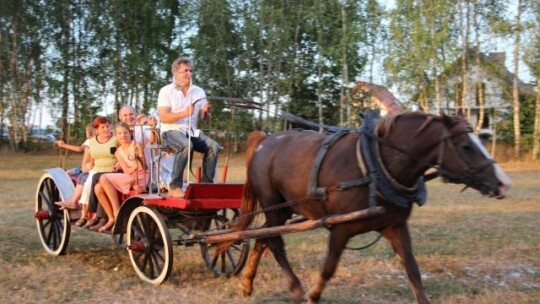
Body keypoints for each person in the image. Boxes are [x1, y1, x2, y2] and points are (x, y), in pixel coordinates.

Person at [158, 57, 221, 198]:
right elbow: (164, 117)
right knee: (186, 145)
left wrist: (206, 112)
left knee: (214, 146)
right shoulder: (166, 91)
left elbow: (205, 120)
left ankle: (207, 185)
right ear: (175, 73)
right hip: (170, 130)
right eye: (185, 71)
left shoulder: (199, 92)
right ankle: (175, 186)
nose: (189, 74)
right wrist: (184, 113)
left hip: (192, 131)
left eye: (190, 71)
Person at [94, 123, 146, 232]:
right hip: (129, 176)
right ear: (116, 136)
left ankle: (117, 212)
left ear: (130, 133)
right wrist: (133, 167)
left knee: (103, 178)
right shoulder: (118, 152)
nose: (123, 135)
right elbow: (126, 170)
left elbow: (143, 166)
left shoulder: (136, 145)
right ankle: (112, 218)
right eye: (119, 133)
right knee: (97, 188)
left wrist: (135, 167)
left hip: (140, 177)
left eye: (125, 133)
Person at [79, 116, 117, 231]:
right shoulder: (92, 142)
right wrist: (89, 165)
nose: (106, 129)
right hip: (97, 169)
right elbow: (91, 158)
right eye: (103, 127)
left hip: (111, 169)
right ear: (97, 130)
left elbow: (121, 153)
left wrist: (118, 164)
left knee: (96, 180)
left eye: (107, 126)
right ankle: (88, 214)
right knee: (88, 184)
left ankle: (97, 216)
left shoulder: (115, 139)